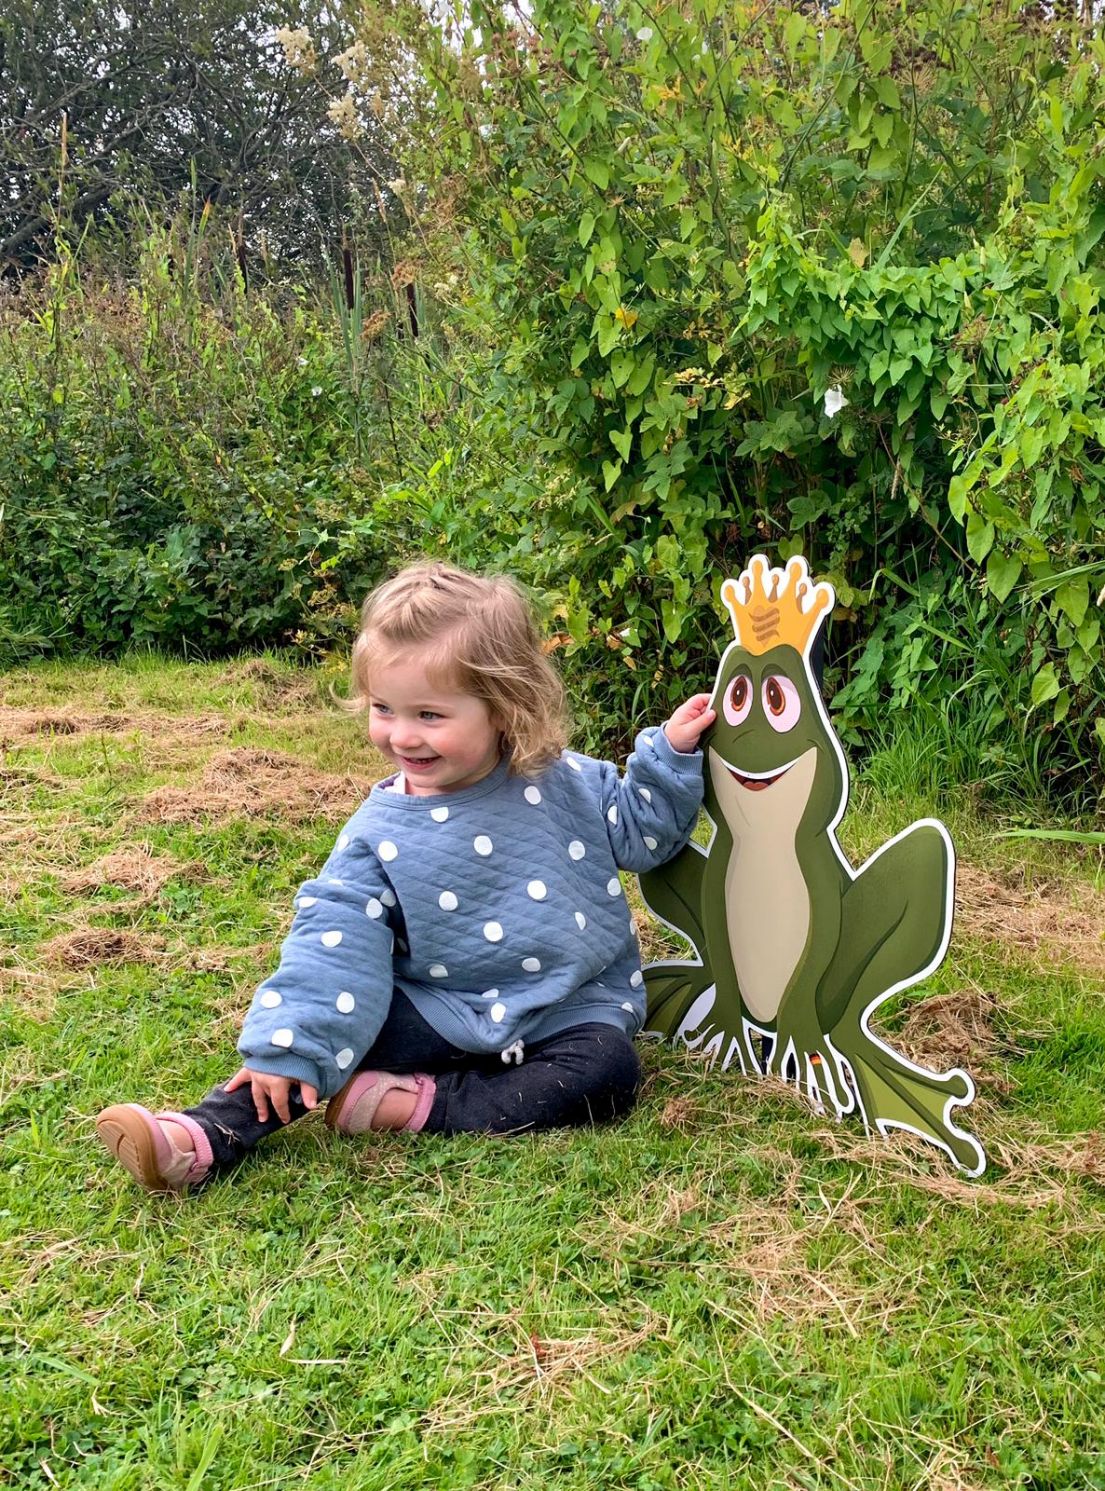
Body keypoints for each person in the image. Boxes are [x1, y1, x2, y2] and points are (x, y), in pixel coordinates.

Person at [95, 562, 716, 1192]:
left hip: (565, 1009)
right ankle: (201, 1137)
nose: (401, 735)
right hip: (438, 1007)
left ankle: (419, 1106)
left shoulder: (567, 780)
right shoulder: (378, 833)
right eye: (383, 709)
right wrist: (291, 1046)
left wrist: (670, 753)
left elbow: (643, 834)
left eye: (428, 715)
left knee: (607, 1072)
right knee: (335, 1034)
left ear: (505, 706)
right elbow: (333, 939)